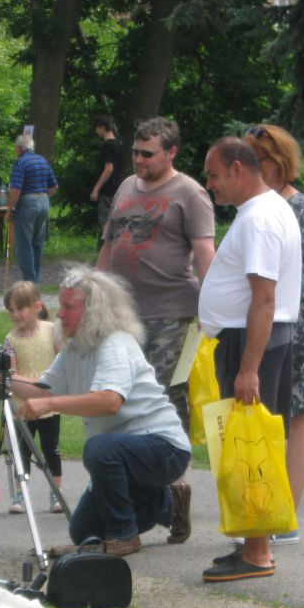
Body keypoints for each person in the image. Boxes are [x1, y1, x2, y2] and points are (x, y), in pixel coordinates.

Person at [7, 267, 192, 557]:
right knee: (84, 532)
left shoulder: (115, 343)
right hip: (125, 452)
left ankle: (124, 536)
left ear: (94, 311)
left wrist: (52, 405)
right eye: (61, 305)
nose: (59, 314)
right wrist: (0, 375)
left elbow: (109, 401)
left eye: (69, 307)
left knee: (99, 450)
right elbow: (43, 390)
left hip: (164, 447)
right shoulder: (75, 348)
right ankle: (168, 503)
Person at [198, 137, 302, 583]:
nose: (210, 185)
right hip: (249, 341)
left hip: (252, 343)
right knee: (247, 443)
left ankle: (258, 551)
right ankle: (252, 543)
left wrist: (248, 369)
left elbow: (264, 299)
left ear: (238, 169)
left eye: (214, 175)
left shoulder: (260, 218)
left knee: (250, 446)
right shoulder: (265, 209)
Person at [97, 116, 216, 432]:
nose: (138, 159)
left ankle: (174, 459)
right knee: (125, 391)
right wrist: (94, 298)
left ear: (171, 152)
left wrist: (211, 306)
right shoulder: (126, 186)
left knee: (165, 391)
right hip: (125, 314)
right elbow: (108, 246)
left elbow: (205, 253)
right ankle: (136, 454)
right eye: (135, 152)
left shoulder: (189, 192)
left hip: (171, 313)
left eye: (147, 154)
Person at [243, 124, 304, 545]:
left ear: (278, 162)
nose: (250, 168)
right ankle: (265, 510)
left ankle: (286, 516)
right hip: (272, 317)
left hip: (298, 319)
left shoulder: (296, 206)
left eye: (257, 160)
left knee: (297, 414)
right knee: (270, 415)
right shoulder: (257, 205)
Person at [3, 281, 64, 514]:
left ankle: (55, 492)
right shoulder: (11, 339)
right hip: (23, 405)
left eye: (20, 308)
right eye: (11, 310)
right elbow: (11, 373)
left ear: (36, 307)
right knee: (22, 451)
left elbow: (64, 357)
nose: (15, 315)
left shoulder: (51, 330)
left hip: (49, 404)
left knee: (51, 449)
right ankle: (20, 494)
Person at [6, 134, 58, 283]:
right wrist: (42, 197)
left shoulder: (20, 163)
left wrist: (9, 210)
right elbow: (54, 187)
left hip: (28, 203)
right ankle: (35, 279)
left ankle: (29, 280)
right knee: (37, 242)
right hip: (44, 202)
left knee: (24, 243)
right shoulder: (42, 161)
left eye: (15, 147)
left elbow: (15, 190)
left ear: (19, 148)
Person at [89, 115, 123, 247]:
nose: (96, 131)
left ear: (102, 127)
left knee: (105, 225)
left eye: (97, 128)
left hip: (107, 190)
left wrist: (96, 188)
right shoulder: (118, 144)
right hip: (117, 188)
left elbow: (108, 168)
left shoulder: (107, 145)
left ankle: (108, 252)